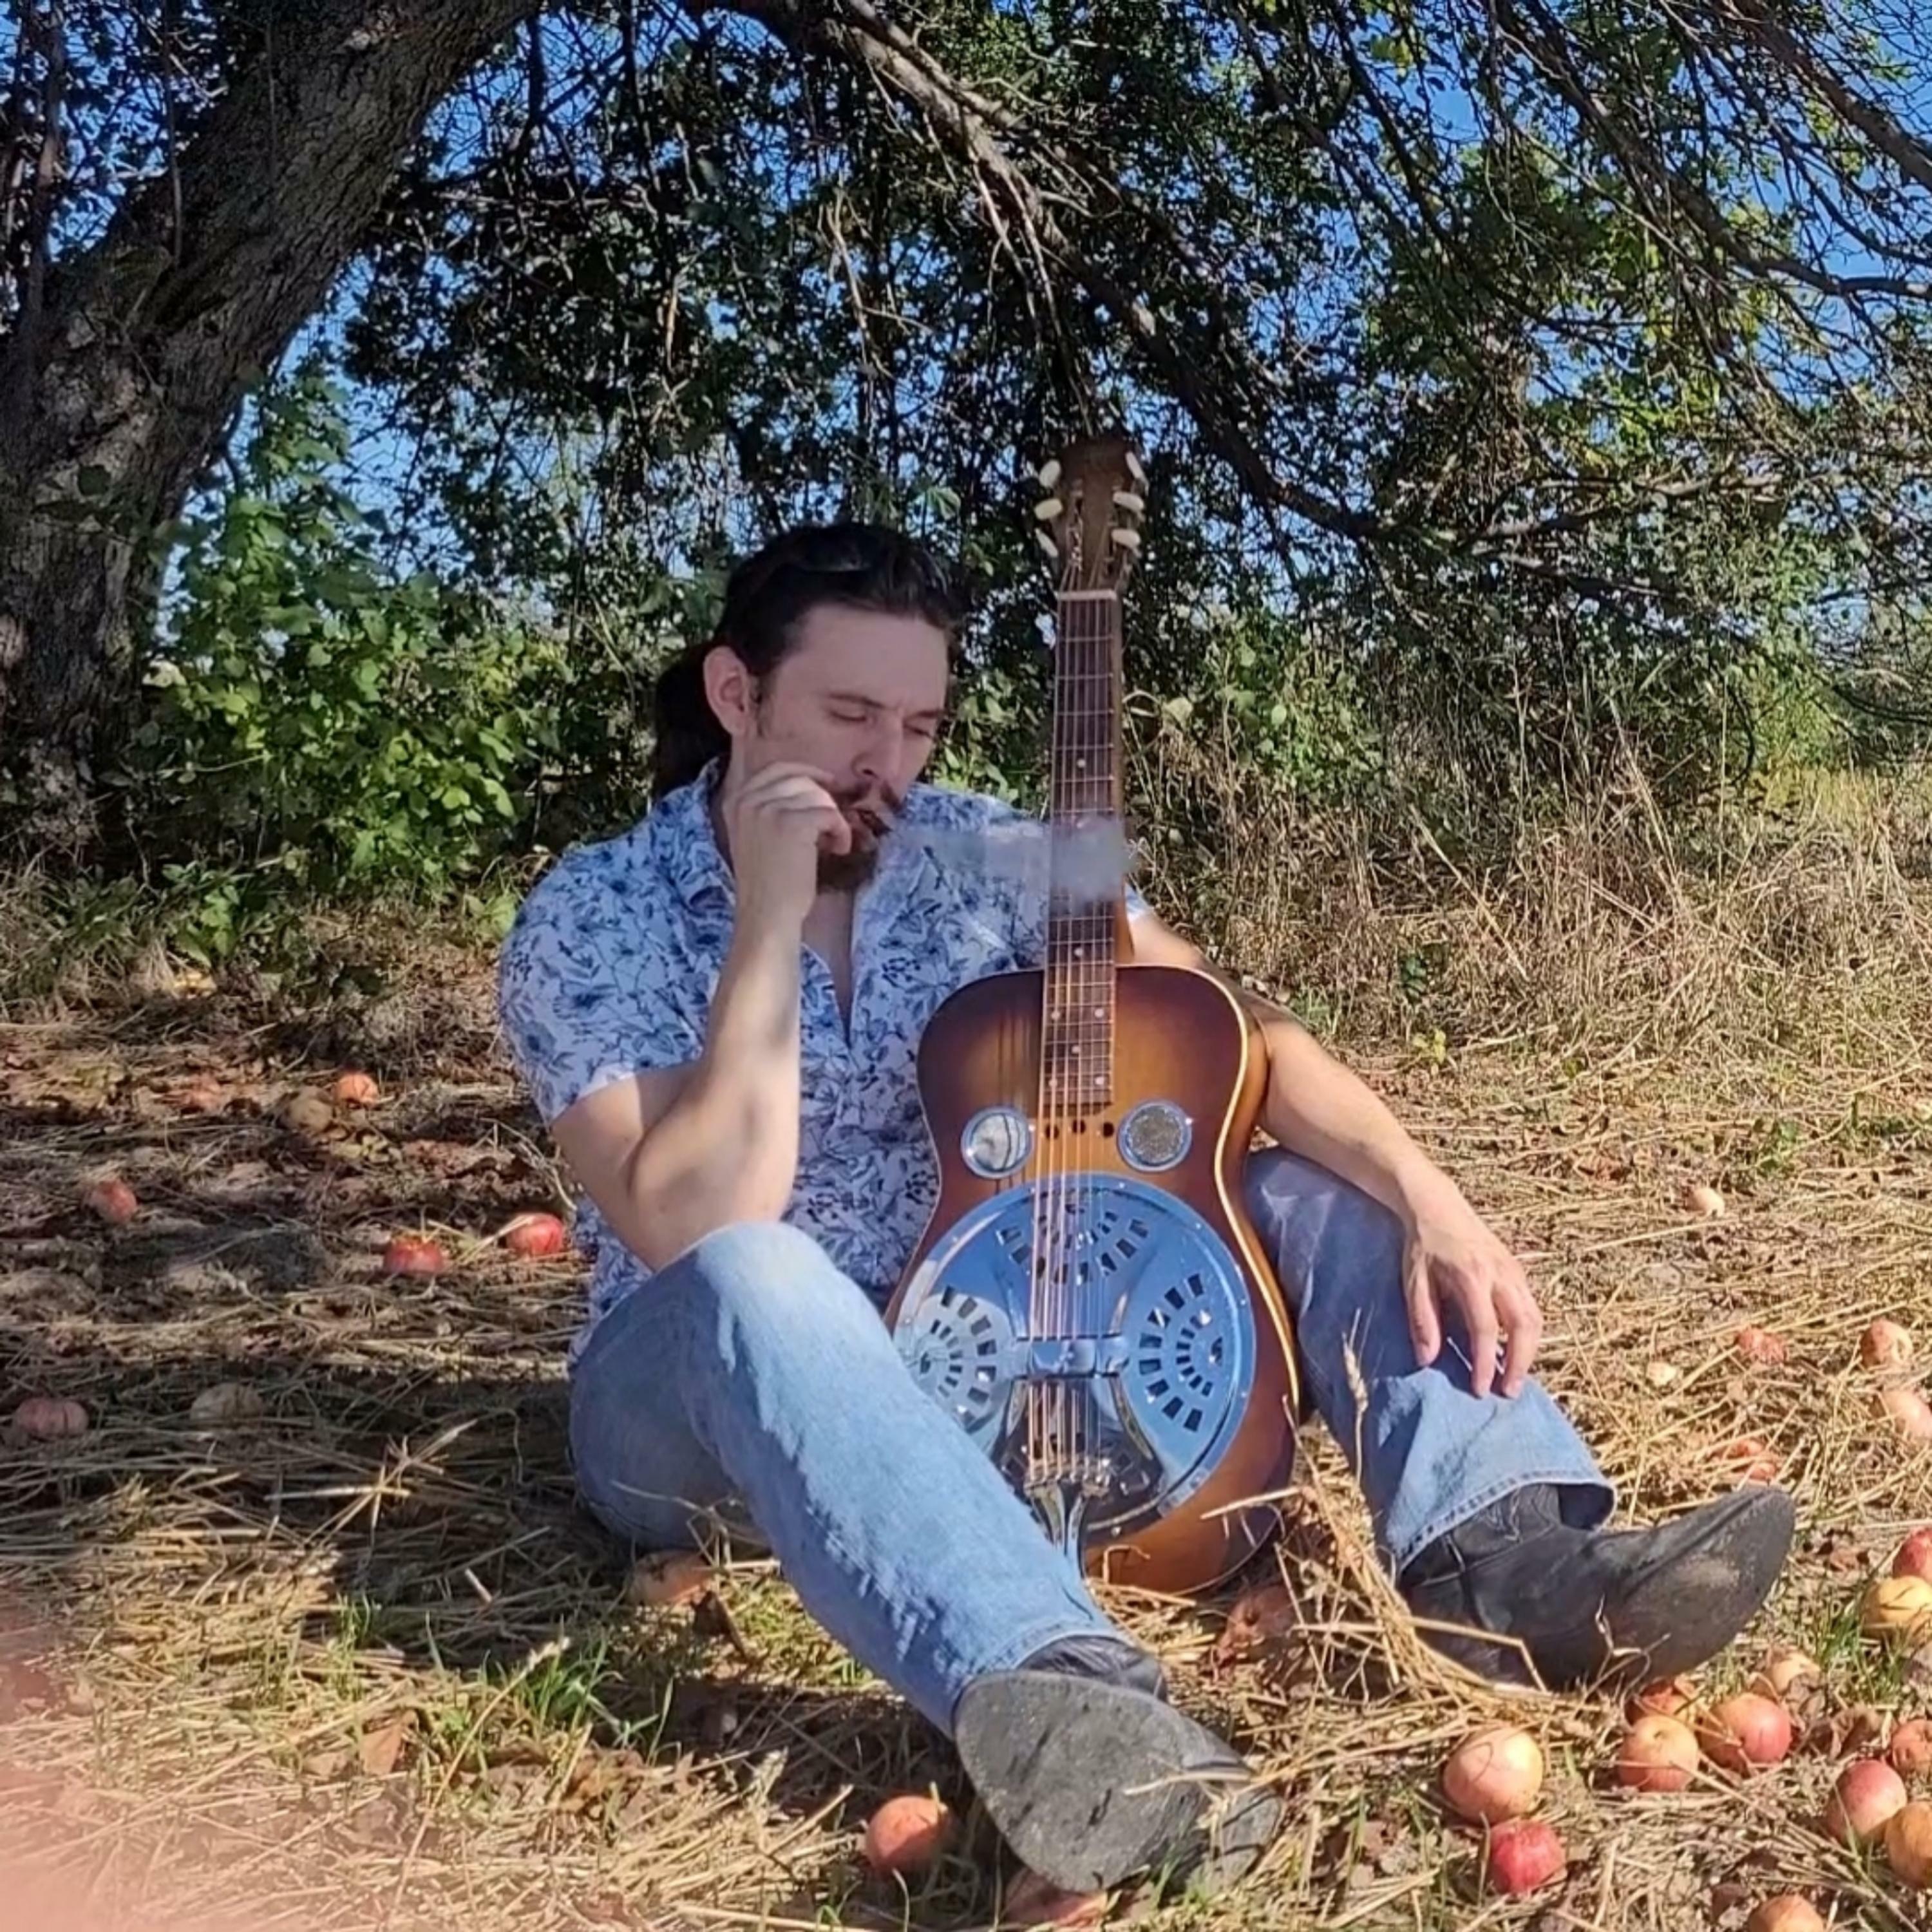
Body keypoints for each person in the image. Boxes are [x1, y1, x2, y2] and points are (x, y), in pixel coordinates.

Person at [496, 522, 1795, 1902]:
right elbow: (697, 1225)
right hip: (702, 1404)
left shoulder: (991, 849)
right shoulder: (593, 915)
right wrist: (767, 921)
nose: (888, 765)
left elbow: (1233, 1031)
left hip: (988, 1367)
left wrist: (1428, 1191)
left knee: (1309, 1183)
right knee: (761, 1272)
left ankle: (1504, 1554)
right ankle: (1074, 1702)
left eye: (921, 725)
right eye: (850, 714)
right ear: (736, 693)